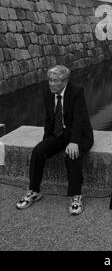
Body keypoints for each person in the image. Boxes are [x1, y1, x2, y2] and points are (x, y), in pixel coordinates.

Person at [16, 65, 94, 216]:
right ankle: (34, 191)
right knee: (38, 151)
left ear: (64, 81)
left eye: (55, 81)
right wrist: (46, 142)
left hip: (80, 135)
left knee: (72, 155)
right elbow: (48, 120)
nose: (51, 84)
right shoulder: (48, 94)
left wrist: (74, 141)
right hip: (59, 134)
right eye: (50, 80)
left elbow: (80, 119)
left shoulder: (77, 92)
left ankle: (76, 196)